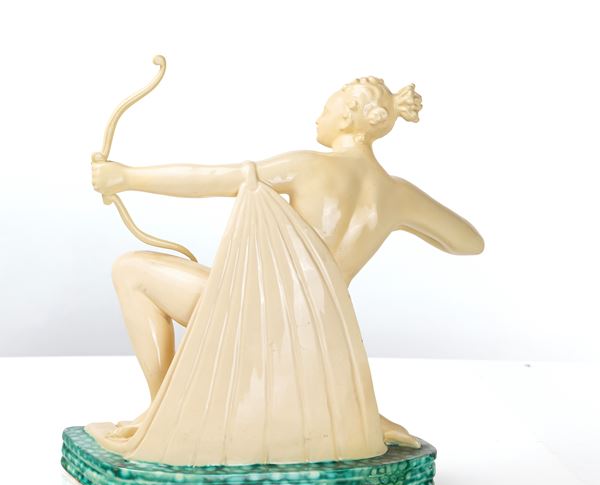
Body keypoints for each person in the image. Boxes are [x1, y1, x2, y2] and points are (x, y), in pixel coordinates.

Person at [90, 76, 483, 461]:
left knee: (131, 269)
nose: (318, 117)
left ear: (347, 118)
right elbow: (469, 243)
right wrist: (409, 214)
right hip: (319, 341)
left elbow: (210, 178)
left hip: (254, 318)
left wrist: (126, 177)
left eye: (326, 109)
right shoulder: (398, 194)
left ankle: (166, 411)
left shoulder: (308, 166)